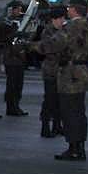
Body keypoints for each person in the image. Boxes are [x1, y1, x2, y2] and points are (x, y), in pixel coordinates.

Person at [54, 0, 88, 161]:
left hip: (70, 74)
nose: (67, 10)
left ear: (74, 10)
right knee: (79, 112)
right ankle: (80, 147)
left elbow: (57, 45)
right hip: (81, 72)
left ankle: (74, 148)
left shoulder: (71, 26)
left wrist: (31, 45)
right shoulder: (86, 25)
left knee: (69, 112)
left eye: (69, 7)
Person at [32, 9, 66, 138]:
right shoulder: (48, 31)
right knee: (49, 100)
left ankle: (57, 126)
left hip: (60, 70)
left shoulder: (62, 30)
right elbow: (49, 47)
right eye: (61, 18)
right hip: (51, 70)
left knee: (59, 100)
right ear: (55, 19)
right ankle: (45, 127)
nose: (63, 21)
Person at [1, 1, 29, 116]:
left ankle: (16, 105)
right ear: (12, 9)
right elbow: (3, 37)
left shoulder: (20, 21)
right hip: (11, 56)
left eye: (20, 9)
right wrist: (15, 33)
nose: (19, 11)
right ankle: (10, 106)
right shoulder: (6, 22)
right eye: (17, 9)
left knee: (19, 84)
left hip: (19, 57)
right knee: (12, 84)